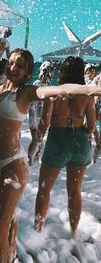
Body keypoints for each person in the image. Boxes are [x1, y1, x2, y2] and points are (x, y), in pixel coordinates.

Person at [0, 49, 101, 263]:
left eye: (20, 65)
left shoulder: (26, 92)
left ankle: (30, 236)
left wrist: (93, 89)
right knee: (9, 215)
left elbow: (59, 90)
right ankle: (14, 253)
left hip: (14, 166)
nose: (13, 68)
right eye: (12, 62)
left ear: (27, 72)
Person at [31, 56, 96, 238]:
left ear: (63, 72)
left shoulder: (55, 92)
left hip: (57, 140)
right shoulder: (87, 94)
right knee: (75, 192)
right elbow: (91, 126)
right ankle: (74, 235)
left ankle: (37, 232)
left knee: (44, 190)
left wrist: (36, 143)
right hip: (79, 141)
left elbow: (44, 123)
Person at [28, 60, 55, 165]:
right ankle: (32, 159)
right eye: (52, 71)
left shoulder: (43, 84)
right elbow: (33, 103)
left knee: (37, 140)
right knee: (37, 139)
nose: (53, 74)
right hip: (37, 116)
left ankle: (34, 159)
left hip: (38, 116)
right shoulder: (40, 84)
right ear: (48, 71)